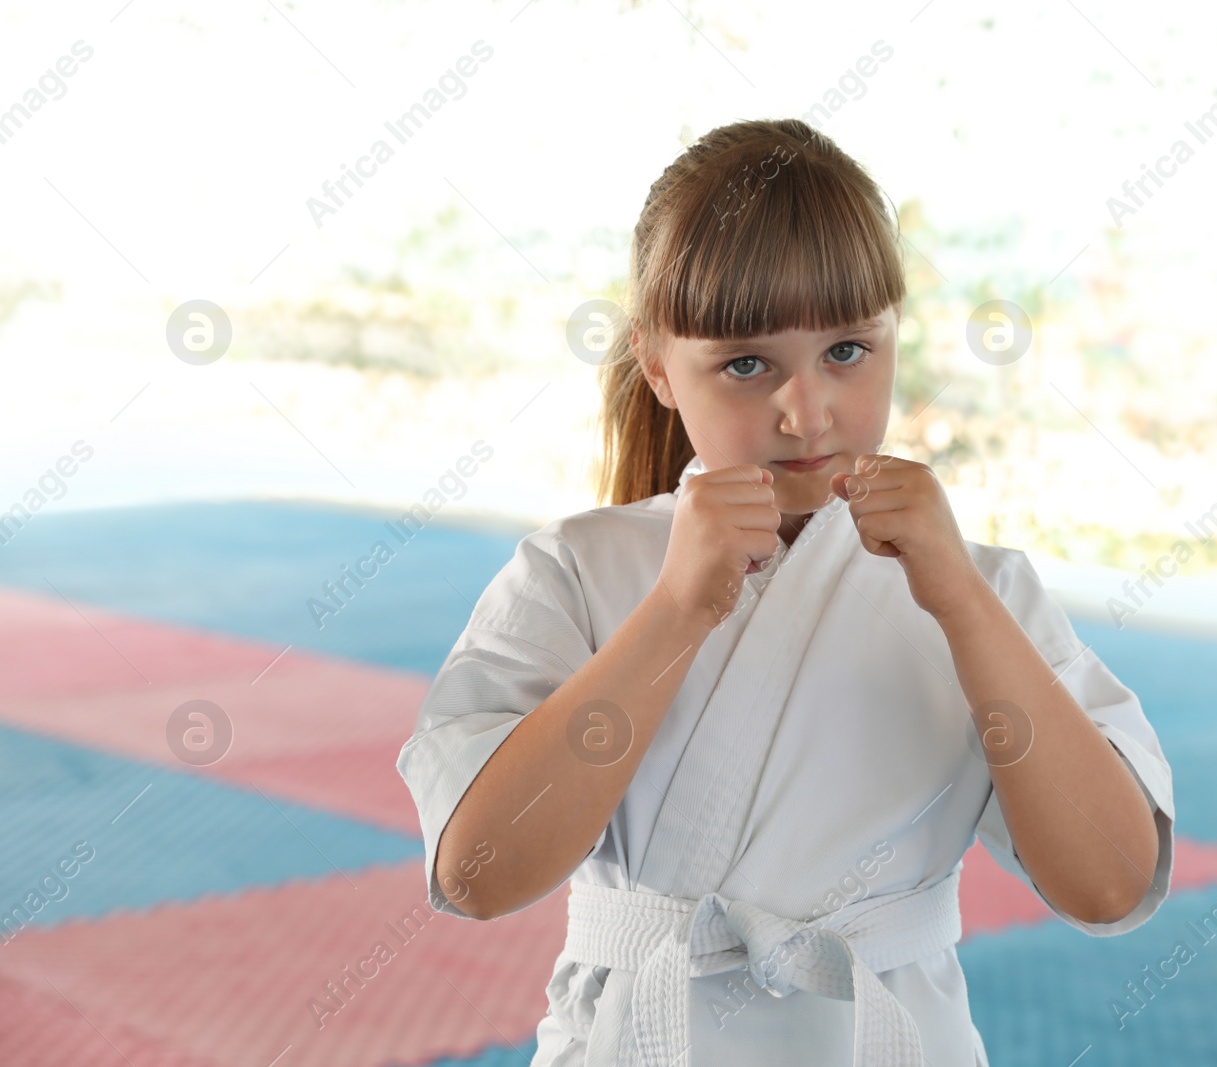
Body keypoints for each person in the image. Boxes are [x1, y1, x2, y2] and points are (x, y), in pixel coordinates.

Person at [396, 117, 1175, 1067]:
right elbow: (476, 874)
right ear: (656, 366)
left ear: (894, 337)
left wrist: (964, 608)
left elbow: (1113, 886)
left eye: (848, 350)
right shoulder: (576, 570)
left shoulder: (984, 589)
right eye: (745, 364)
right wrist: (676, 608)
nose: (807, 412)